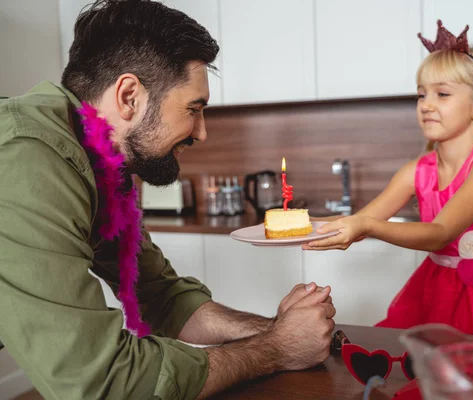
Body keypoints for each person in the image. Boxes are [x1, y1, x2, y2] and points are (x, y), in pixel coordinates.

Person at [0, 1, 335, 399]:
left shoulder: (101, 163)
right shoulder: (28, 158)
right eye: (193, 109)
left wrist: (275, 328)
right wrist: (276, 349)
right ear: (129, 96)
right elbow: (101, 381)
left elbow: (161, 296)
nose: (202, 132)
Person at [304, 20, 473, 342]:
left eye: (442, 94)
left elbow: (439, 234)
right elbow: (362, 220)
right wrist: (292, 226)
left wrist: (367, 227)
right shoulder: (417, 171)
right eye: (421, 95)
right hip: (441, 292)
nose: (426, 105)